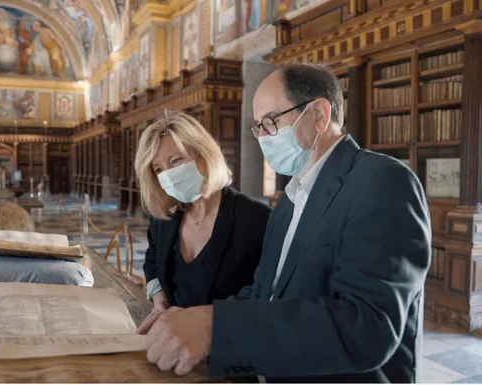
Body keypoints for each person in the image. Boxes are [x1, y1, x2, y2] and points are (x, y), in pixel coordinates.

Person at [138, 63, 431, 383]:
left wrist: (214, 326)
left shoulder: (380, 181)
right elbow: (266, 292)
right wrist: (196, 321)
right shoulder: (290, 199)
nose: (263, 137)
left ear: (319, 114)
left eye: (270, 122)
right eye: (258, 127)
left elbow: (367, 327)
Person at [135, 110, 272, 315]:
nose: (169, 176)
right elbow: (152, 259)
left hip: (228, 340)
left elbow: (265, 293)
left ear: (203, 155)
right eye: (159, 170)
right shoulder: (165, 217)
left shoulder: (258, 219)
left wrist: (201, 324)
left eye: (176, 161)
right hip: (174, 333)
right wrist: (159, 299)